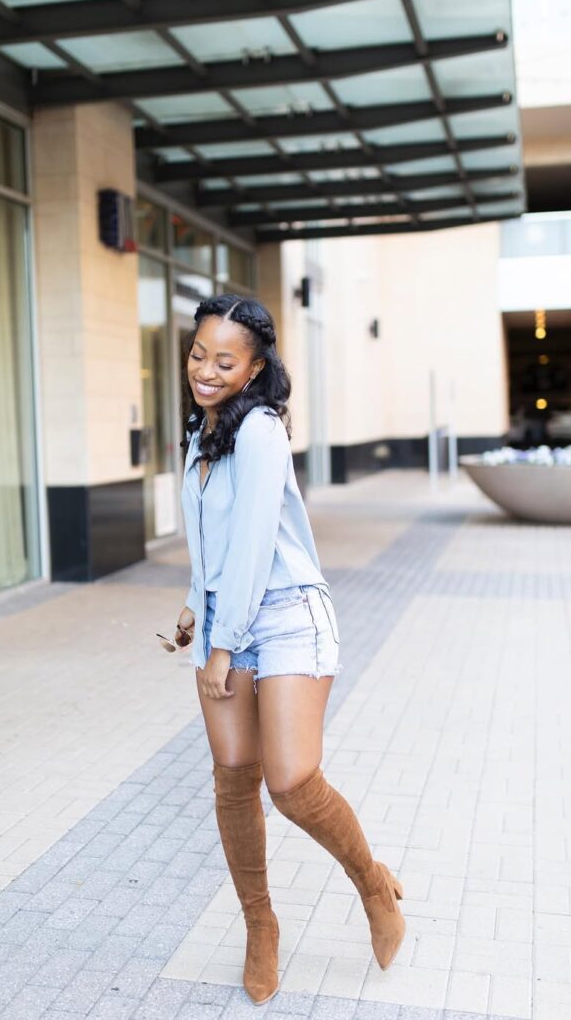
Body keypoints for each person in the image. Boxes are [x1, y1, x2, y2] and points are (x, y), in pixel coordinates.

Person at [172, 294, 405, 1005]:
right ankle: (260, 926)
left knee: (292, 782)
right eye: (196, 355)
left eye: (223, 361)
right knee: (233, 776)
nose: (205, 371)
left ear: (253, 368)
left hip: (284, 617)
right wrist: (193, 605)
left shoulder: (261, 431)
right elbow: (209, 539)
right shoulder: (200, 428)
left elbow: (250, 546)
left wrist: (223, 645)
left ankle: (371, 881)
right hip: (223, 615)